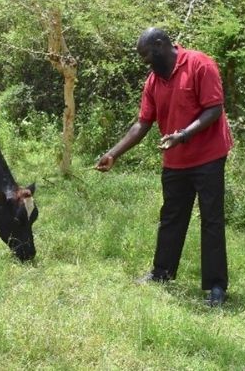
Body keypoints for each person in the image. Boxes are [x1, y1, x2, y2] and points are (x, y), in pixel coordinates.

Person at [95, 27, 233, 306]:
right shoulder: (153, 81)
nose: (144, 62)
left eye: (146, 56)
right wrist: (113, 154)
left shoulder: (199, 64)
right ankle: (162, 272)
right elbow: (143, 123)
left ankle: (216, 286)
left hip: (208, 156)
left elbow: (214, 109)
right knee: (171, 216)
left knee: (211, 219)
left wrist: (183, 135)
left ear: (160, 46)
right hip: (175, 160)